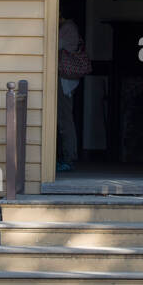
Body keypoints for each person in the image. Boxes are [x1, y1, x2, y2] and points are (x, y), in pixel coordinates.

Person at [57, 19, 91, 171]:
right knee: (63, 118)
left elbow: (55, 45)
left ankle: (69, 158)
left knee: (65, 119)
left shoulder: (68, 27)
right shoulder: (70, 27)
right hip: (67, 80)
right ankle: (66, 157)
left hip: (65, 81)